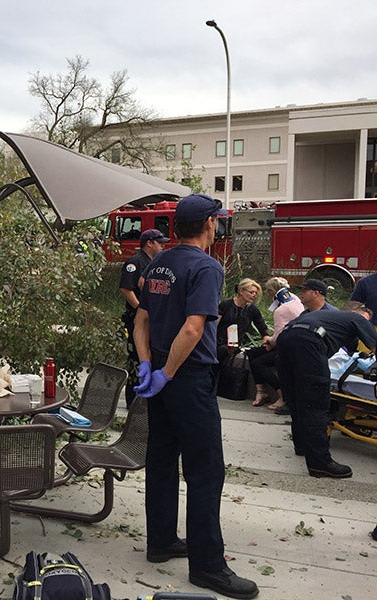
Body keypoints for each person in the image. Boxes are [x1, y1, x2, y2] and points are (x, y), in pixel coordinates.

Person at [133, 194, 259, 600]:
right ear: (209, 224)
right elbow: (192, 329)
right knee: (206, 471)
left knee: (162, 459)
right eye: (217, 221)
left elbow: (142, 320)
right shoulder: (207, 267)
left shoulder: (159, 263)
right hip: (186, 377)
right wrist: (167, 373)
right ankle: (207, 567)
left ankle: (162, 541)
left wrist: (147, 364)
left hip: (163, 374)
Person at [275, 303, 377, 477]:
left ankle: (301, 445)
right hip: (310, 341)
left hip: (286, 337)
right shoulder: (358, 318)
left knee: (296, 398)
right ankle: (319, 463)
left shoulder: (325, 318)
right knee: (316, 403)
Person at [119, 228, 169, 406]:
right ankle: (132, 401)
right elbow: (126, 288)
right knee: (136, 358)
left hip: (152, 319)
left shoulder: (155, 262)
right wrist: (141, 309)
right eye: (159, 243)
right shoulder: (136, 262)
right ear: (149, 243)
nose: (163, 246)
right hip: (136, 318)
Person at [247, 277, 304, 411]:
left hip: (287, 348)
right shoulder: (295, 299)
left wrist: (269, 341)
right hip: (295, 343)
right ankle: (261, 391)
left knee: (258, 363)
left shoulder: (281, 310)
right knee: (253, 353)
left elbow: (278, 338)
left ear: (272, 292)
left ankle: (282, 395)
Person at [216, 279, 270, 402]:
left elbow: (262, 326)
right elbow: (214, 324)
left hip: (232, 344)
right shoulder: (226, 305)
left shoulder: (252, 310)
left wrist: (266, 337)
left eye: (255, 293)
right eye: (251, 292)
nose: (254, 295)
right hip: (218, 339)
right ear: (241, 291)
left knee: (223, 351)